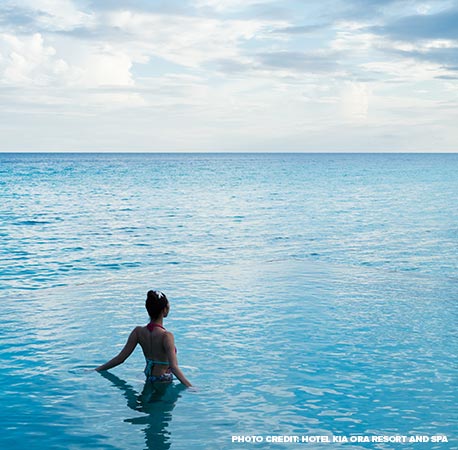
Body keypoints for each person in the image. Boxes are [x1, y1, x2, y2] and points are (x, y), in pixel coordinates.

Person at [96, 290, 192, 387]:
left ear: (147, 309)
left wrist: (97, 369)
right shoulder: (166, 336)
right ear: (165, 309)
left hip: (148, 376)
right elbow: (174, 367)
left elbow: (120, 359)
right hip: (163, 379)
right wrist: (191, 387)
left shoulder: (138, 332)